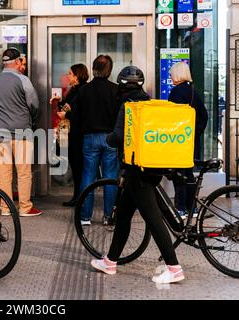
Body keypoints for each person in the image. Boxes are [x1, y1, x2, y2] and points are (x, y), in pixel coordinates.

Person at [91, 66, 185, 284]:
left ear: (121, 85)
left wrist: (107, 139)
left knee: (153, 219)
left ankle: (174, 267)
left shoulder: (128, 106)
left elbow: (117, 137)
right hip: (151, 168)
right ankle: (111, 261)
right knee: (123, 215)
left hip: (137, 171)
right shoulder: (149, 103)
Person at [0, 48, 42, 217]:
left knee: (3, 174)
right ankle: (25, 207)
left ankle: (6, 208)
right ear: (17, 62)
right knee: (24, 172)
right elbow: (34, 105)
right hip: (21, 133)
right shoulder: (23, 80)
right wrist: (31, 121)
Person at [75, 55, 120, 225]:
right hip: (110, 138)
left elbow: (77, 117)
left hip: (90, 138)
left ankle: (85, 217)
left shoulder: (83, 90)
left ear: (94, 68)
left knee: (88, 176)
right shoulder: (115, 90)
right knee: (110, 177)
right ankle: (108, 216)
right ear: (109, 70)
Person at [168, 62, 208, 218]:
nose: (170, 76)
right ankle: (193, 208)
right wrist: (194, 133)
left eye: (172, 74)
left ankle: (181, 208)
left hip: (179, 141)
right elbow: (204, 115)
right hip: (190, 141)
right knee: (189, 174)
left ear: (177, 75)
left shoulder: (176, 92)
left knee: (179, 174)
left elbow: (172, 119)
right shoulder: (192, 91)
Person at [51, 64, 89, 207]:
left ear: (77, 76)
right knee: (76, 167)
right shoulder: (74, 90)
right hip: (72, 134)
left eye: (70, 74)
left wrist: (66, 114)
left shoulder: (83, 90)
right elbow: (67, 105)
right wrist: (58, 101)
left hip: (79, 135)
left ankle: (79, 198)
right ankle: (77, 196)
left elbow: (81, 113)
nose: (68, 76)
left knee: (79, 167)